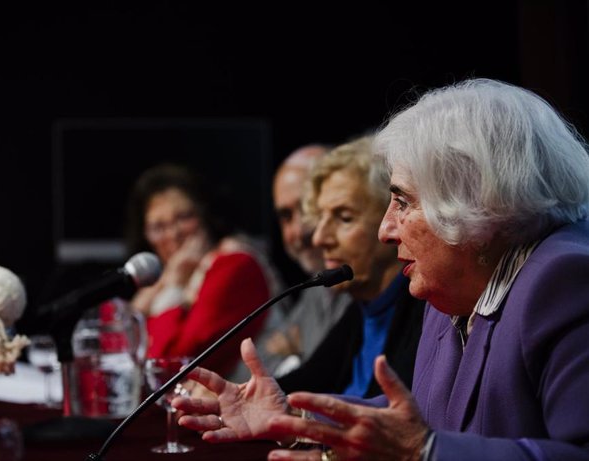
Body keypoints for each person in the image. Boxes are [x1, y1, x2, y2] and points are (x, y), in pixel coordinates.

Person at [173, 78, 589, 461]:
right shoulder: (451, 292)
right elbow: (414, 420)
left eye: (403, 202)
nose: (386, 229)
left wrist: (425, 452)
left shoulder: (565, 281)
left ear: (477, 204)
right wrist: (297, 417)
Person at [276, 137, 423, 396]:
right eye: (320, 218)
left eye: (344, 218)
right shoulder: (361, 311)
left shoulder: (424, 312)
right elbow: (303, 384)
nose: (320, 238)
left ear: (391, 222)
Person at [125, 163, 278, 376]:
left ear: (206, 214)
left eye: (184, 217)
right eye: (158, 227)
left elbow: (170, 366)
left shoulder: (236, 266)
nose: (173, 234)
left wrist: (176, 283)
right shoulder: (155, 285)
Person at [231, 144, 352, 380]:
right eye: (286, 216)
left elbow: (328, 380)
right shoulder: (314, 290)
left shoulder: (365, 286)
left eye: (309, 207)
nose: (299, 230)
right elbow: (249, 366)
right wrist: (294, 359)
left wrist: (296, 359)